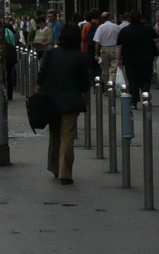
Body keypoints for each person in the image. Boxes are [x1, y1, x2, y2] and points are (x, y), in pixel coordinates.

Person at [36, 23, 90, 185]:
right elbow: (84, 84)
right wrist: (86, 100)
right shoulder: (80, 56)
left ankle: (54, 166)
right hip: (71, 101)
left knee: (55, 135)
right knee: (68, 136)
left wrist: (36, 95)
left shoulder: (51, 54)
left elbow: (42, 75)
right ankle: (65, 173)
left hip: (51, 100)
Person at [116, 11, 158, 104]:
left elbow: (119, 46)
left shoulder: (125, 30)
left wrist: (118, 59)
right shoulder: (147, 29)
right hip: (146, 58)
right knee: (146, 79)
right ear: (140, 18)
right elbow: (156, 39)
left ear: (129, 19)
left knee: (132, 81)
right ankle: (146, 98)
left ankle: (134, 101)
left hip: (130, 59)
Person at [92, 12, 121, 84]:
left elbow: (97, 42)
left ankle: (106, 85)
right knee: (113, 69)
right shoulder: (117, 27)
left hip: (104, 49)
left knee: (104, 70)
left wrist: (96, 53)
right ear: (110, 18)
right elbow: (121, 40)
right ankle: (112, 83)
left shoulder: (100, 28)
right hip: (114, 49)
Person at [3, 19, 19, 101]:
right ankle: (10, 94)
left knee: (4, 76)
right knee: (9, 74)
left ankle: (5, 93)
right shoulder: (10, 32)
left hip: (6, 55)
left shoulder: (4, 32)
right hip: (11, 54)